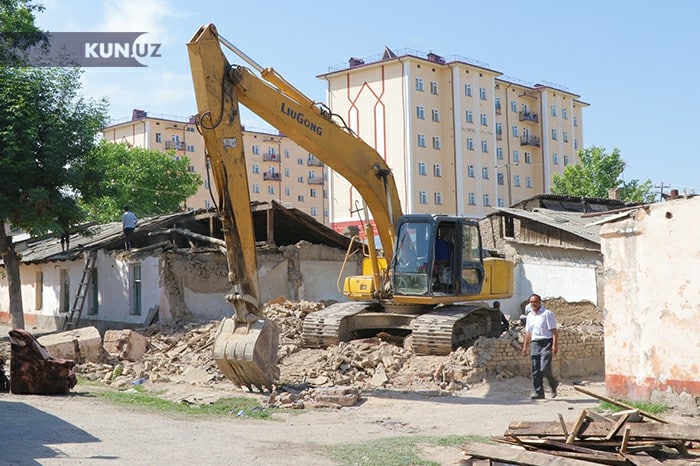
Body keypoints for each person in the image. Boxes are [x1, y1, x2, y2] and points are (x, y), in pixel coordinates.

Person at [521, 293, 559, 399]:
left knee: (544, 368)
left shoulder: (547, 314)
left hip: (546, 342)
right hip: (535, 343)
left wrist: (555, 345)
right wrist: (525, 346)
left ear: (540, 302)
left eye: (535, 302)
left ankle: (553, 383)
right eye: (531, 302)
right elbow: (528, 332)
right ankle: (539, 392)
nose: (533, 304)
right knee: (535, 369)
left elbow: (554, 331)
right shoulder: (529, 316)